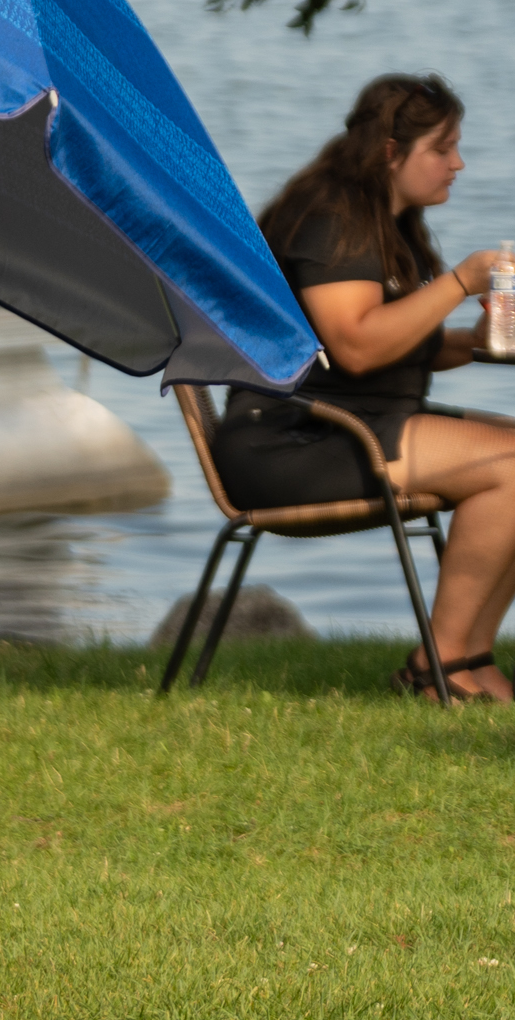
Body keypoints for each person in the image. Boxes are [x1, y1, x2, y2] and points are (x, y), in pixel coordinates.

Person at [211, 74, 515, 699]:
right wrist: (461, 281)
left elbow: (401, 344)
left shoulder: (389, 222)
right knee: (511, 468)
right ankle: (439, 665)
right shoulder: (331, 217)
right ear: (390, 152)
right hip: (290, 441)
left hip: (352, 423)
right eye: (443, 148)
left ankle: (472, 658)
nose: (458, 164)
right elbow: (355, 345)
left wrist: (478, 342)